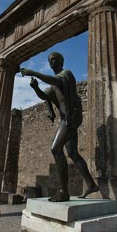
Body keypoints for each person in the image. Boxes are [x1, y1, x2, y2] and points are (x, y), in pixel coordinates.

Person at [20, 52, 99, 202]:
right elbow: (44, 96)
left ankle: (64, 191)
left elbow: (57, 82)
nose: (51, 62)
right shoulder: (53, 85)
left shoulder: (66, 74)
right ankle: (91, 184)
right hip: (66, 119)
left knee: (55, 149)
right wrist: (35, 87)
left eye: (54, 59)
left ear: (61, 61)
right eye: (50, 60)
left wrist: (33, 72)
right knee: (73, 153)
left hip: (70, 118)